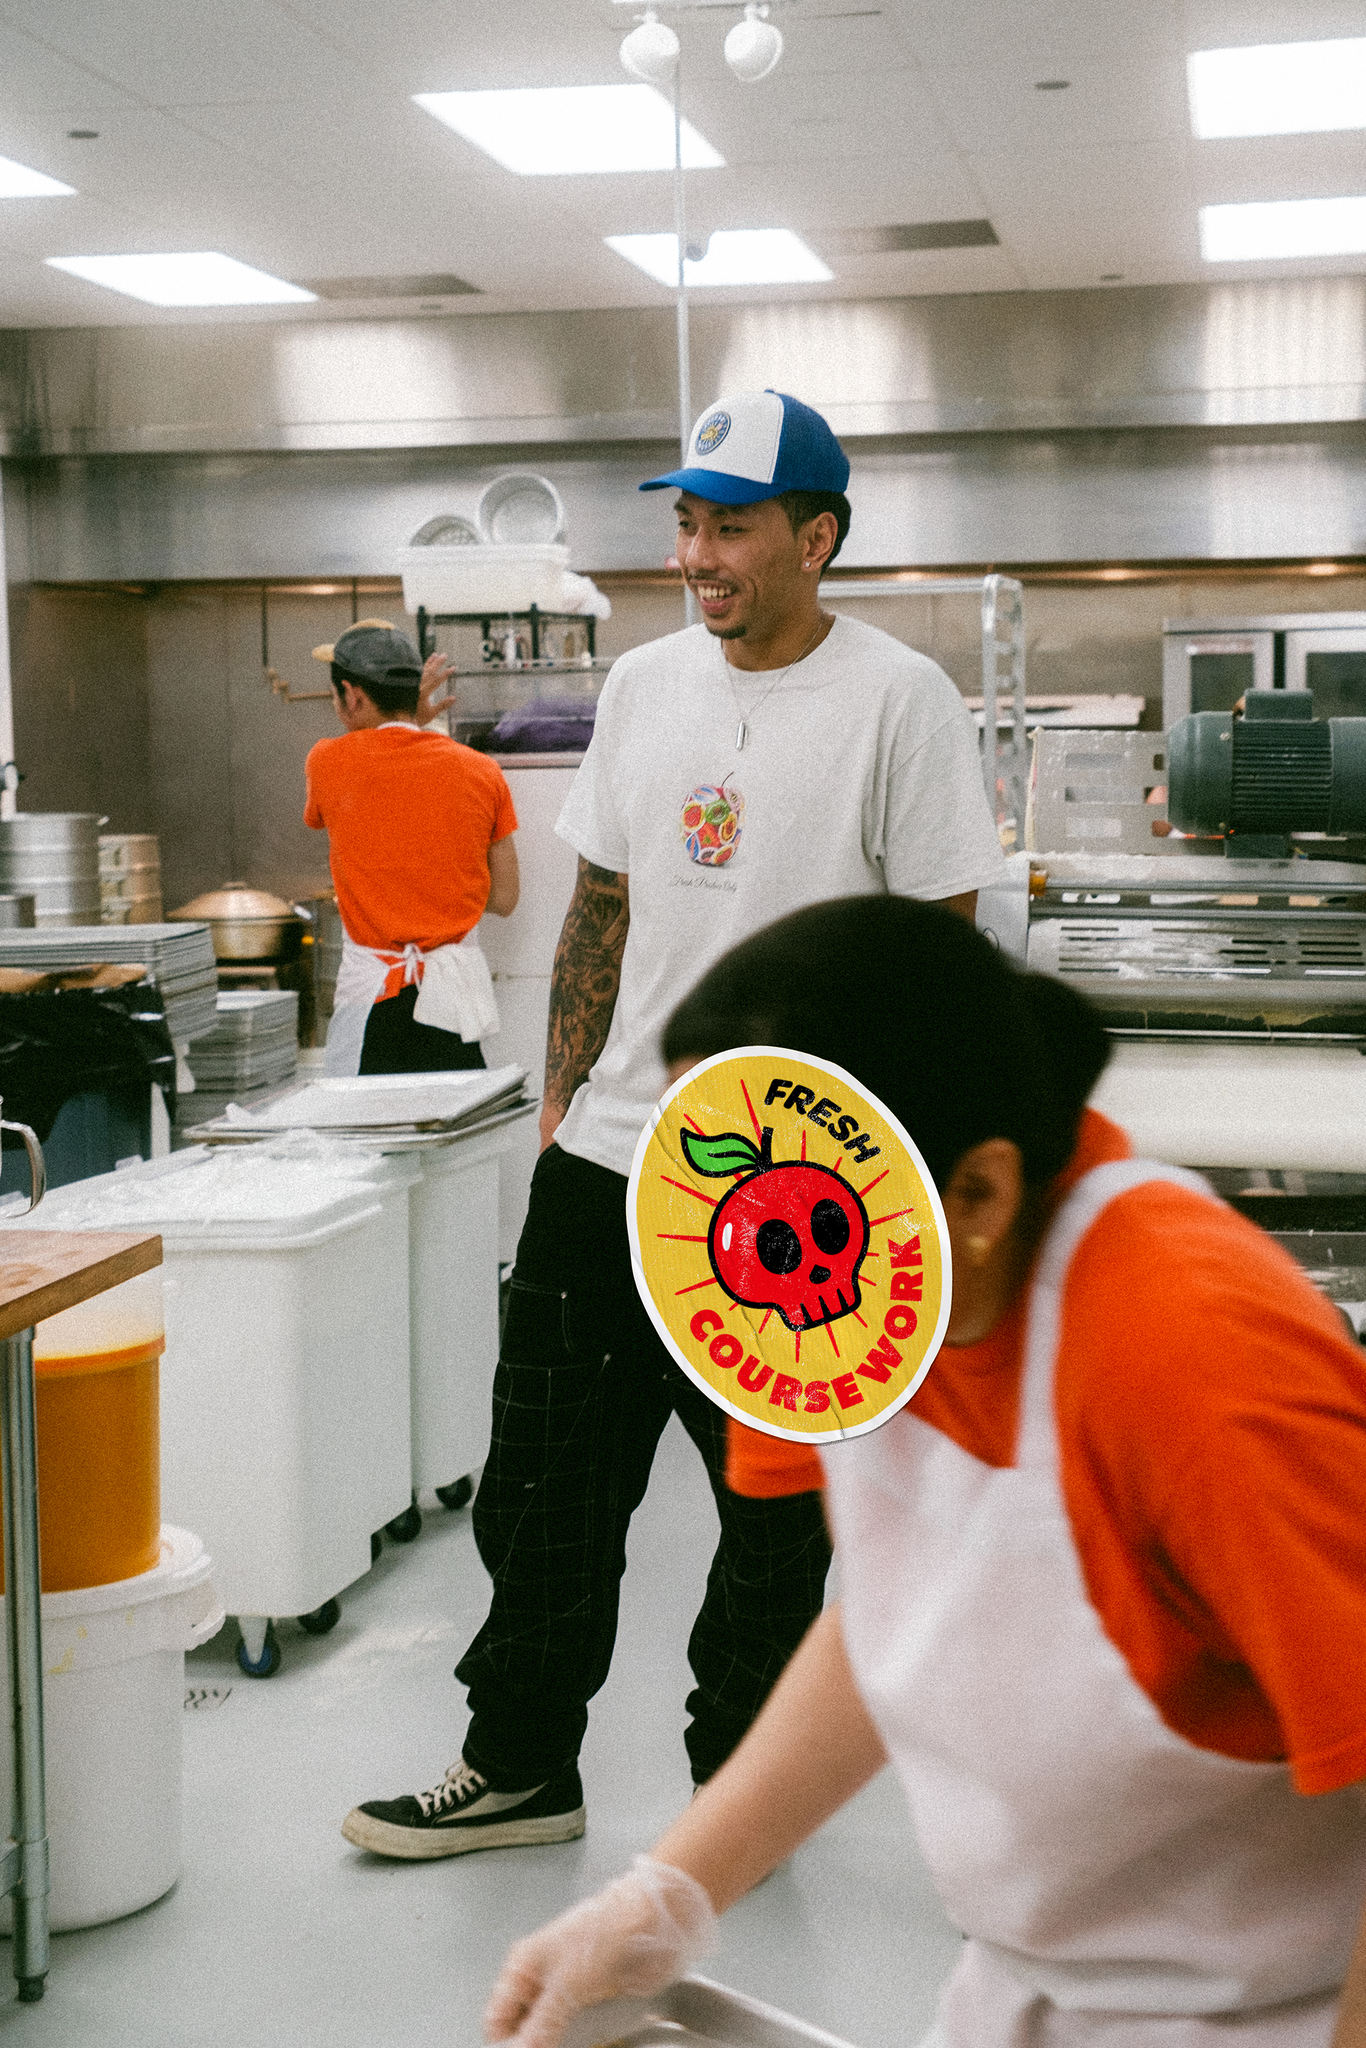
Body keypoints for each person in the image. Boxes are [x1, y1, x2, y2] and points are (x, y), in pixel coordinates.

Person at [483, 895, 1366, 2048]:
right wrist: (667, 1893)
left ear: (983, 1194)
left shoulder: (1192, 1355)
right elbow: (897, 1620)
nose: (754, 1236)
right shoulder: (817, 1313)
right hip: (1025, 1990)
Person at [341, 390, 1005, 1860]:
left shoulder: (899, 700)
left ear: (815, 538)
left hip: (798, 1187)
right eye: (687, 524)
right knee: (539, 1486)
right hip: (609, 1158)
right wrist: (565, 1086)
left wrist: (893, 1173)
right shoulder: (644, 688)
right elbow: (604, 903)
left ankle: (733, 1792)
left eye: (733, 527)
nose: (698, 555)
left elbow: (939, 949)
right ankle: (519, 1764)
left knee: (770, 1521)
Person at [303, 619, 519, 1078]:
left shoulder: (326, 762)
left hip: (372, 1007)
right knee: (455, 1144)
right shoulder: (482, 772)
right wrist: (411, 725)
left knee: (370, 1142)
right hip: (453, 1008)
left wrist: (406, 724)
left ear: (352, 695)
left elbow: (377, 764)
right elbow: (504, 899)